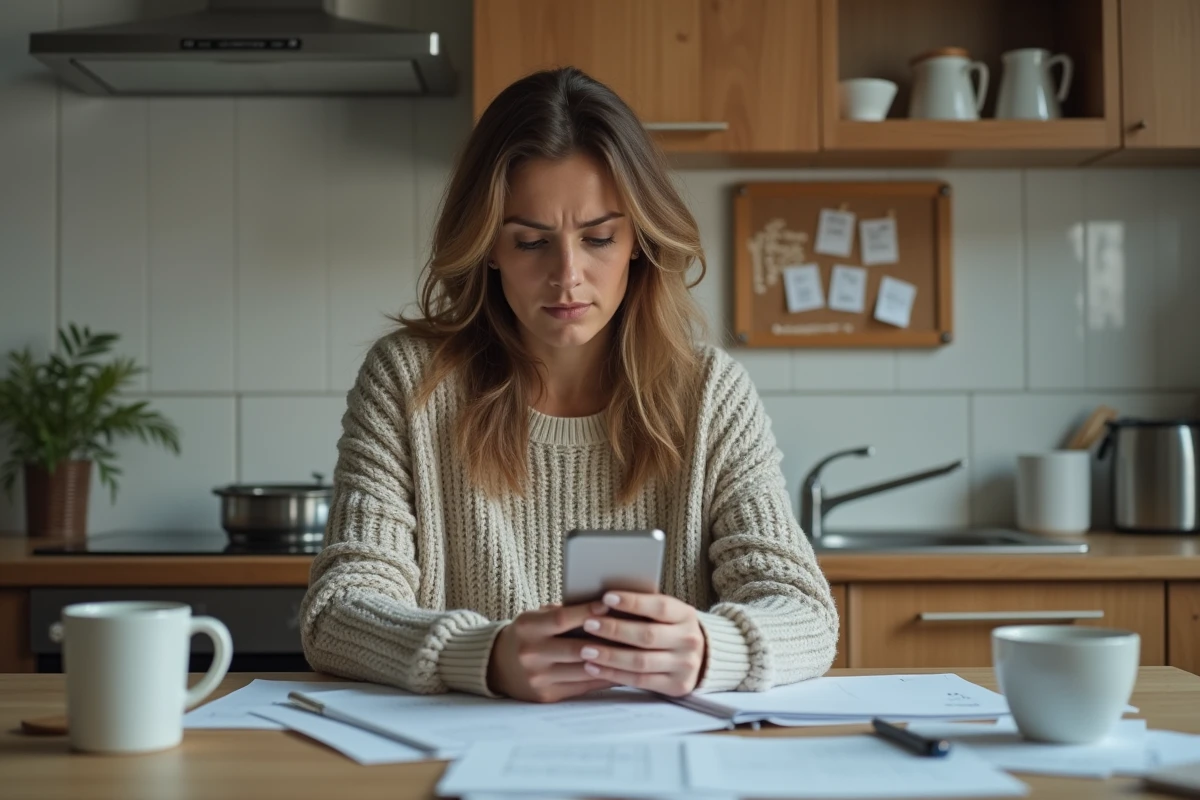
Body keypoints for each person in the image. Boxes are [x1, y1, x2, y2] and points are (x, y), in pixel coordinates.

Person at [300, 66, 838, 703]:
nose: (568, 277)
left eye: (599, 238)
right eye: (531, 242)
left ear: (639, 239)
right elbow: (338, 610)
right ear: (488, 247)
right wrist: (481, 656)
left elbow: (805, 612)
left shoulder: (710, 392)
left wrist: (709, 650)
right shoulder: (408, 381)